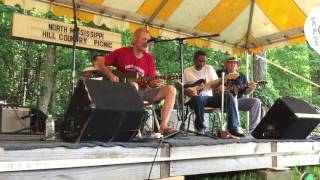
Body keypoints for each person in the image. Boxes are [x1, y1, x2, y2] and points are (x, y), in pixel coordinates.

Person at [96, 27, 177, 136]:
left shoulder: (149, 58)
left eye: (148, 40)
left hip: (143, 92)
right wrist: (110, 75)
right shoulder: (122, 52)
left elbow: (150, 83)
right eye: (143, 39)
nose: (146, 43)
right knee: (134, 85)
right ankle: (133, 126)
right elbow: (99, 62)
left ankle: (163, 127)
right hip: (122, 91)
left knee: (171, 89)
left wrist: (156, 82)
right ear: (134, 40)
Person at [183, 50, 245, 137]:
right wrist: (187, 91)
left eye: (204, 61)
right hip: (193, 99)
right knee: (197, 98)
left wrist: (221, 84)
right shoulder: (187, 71)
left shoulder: (209, 68)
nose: (202, 63)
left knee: (228, 96)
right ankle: (200, 127)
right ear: (194, 60)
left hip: (209, 98)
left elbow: (215, 85)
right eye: (199, 61)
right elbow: (180, 86)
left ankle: (233, 127)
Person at [217, 57, 261, 131]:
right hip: (222, 101)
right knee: (232, 99)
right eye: (231, 62)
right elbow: (212, 84)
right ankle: (235, 128)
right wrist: (220, 86)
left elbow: (246, 92)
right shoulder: (220, 73)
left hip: (238, 100)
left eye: (235, 62)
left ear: (237, 65)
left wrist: (251, 88)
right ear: (227, 64)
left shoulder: (242, 76)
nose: (233, 64)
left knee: (256, 102)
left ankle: (254, 129)